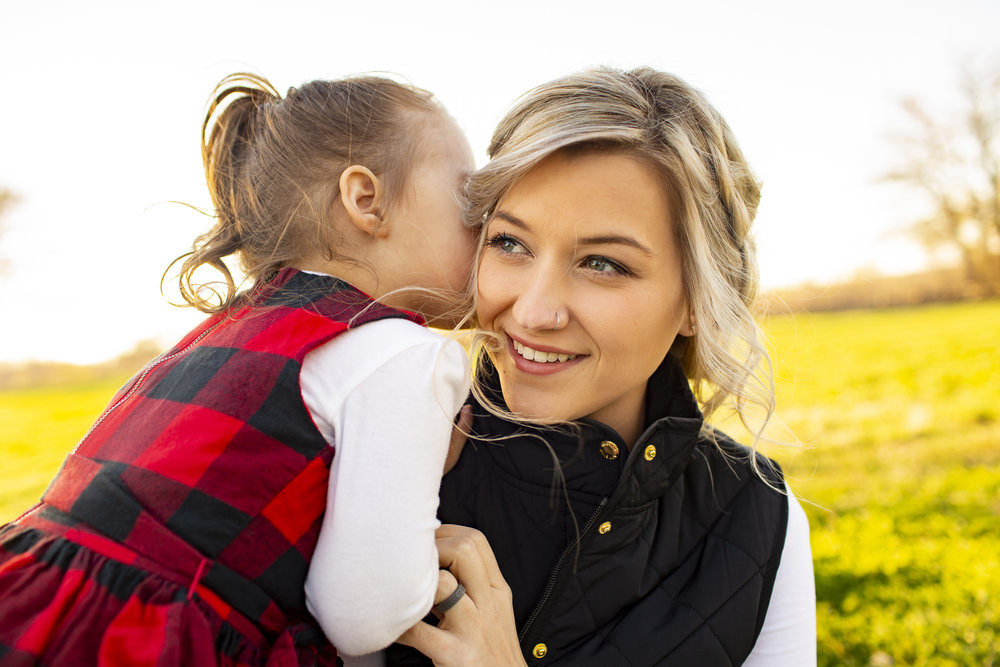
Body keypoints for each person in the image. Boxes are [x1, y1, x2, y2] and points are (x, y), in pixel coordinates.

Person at [0, 72, 477, 666]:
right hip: (154, 641)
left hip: (39, 604)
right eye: (467, 198)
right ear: (366, 200)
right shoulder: (408, 353)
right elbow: (364, 612)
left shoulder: (227, 332)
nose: (486, 224)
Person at [392, 66, 817, 666]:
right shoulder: (386, 452)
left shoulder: (756, 513)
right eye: (510, 243)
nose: (534, 311)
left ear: (698, 298)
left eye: (604, 264)